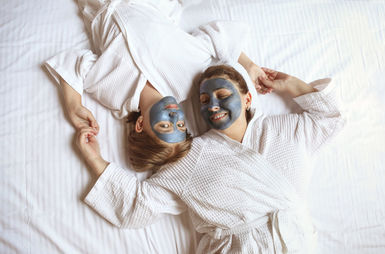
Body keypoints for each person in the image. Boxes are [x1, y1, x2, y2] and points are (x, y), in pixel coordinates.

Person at [77, 64, 345, 253]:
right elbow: (139, 206)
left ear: (248, 98)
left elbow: (331, 117)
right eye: (204, 101)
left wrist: (289, 85)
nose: (212, 105)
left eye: (223, 96)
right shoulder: (191, 157)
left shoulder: (287, 130)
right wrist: (95, 160)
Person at [44, 0, 269, 171]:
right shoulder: (188, 77)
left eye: (165, 127)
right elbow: (217, 36)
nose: (176, 118)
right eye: (181, 126)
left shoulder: (116, 95)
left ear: (141, 124)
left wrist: (73, 104)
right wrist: (249, 66)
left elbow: (75, 64)